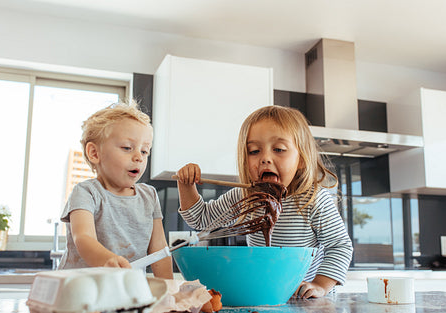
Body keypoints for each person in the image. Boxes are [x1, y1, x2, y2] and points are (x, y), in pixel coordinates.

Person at [175, 105, 353, 298]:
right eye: (254, 151)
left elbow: (340, 246)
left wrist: (319, 285)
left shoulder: (313, 200)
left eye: (279, 149)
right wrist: (186, 185)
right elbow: (201, 220)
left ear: (301, 159)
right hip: (265, 295)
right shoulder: (245, 197)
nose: (265, 158)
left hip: (306, 303)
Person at [58, 100, 173, 279]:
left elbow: (159, 250)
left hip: (125, 290)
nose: (138, 157)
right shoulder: (86, 193)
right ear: (95, 153)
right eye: (127, 148)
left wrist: (169, 289)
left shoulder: (149, 196)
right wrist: (107, 261)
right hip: (78, 289)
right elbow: (83, 238)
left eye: (144, 151)